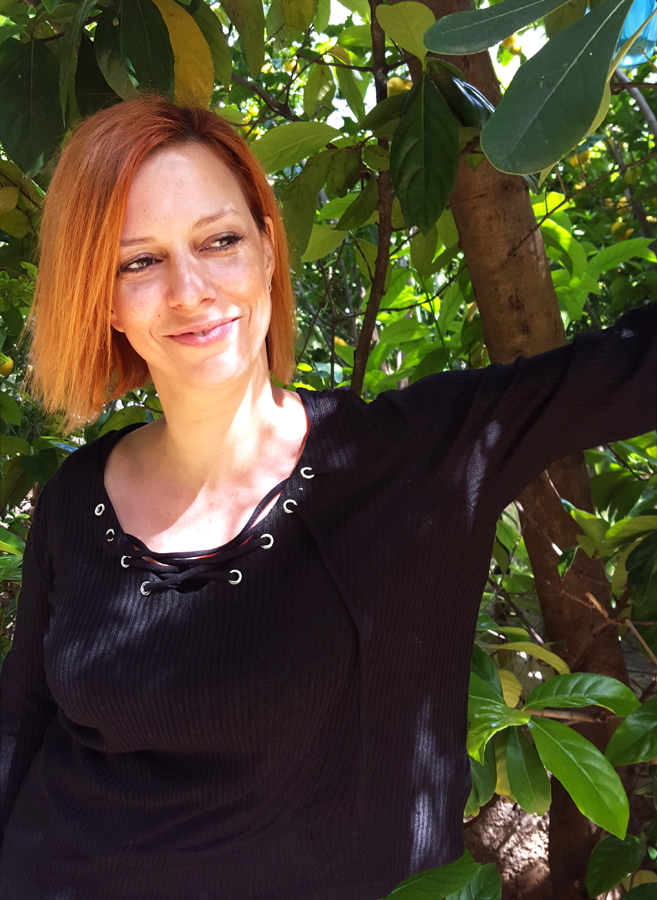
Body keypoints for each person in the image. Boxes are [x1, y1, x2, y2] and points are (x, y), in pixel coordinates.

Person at [0, 95, 655, 900]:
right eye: (139, 261)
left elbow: (633, 366)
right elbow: (22, 715)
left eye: (219, 240)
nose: (190, 289)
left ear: (268, 249)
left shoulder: (418, 458)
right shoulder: (77, 496)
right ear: (101, 298)